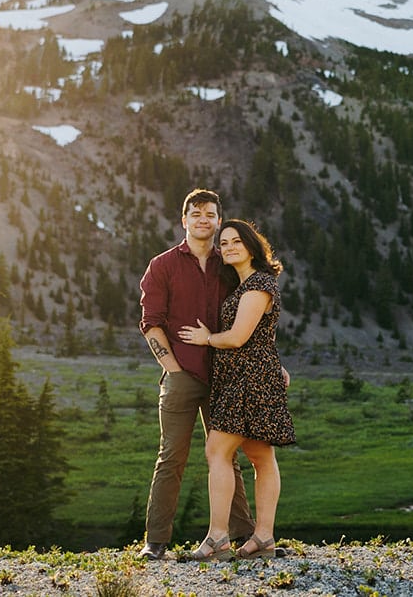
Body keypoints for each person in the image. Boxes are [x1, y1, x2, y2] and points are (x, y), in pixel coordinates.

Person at [136, 188, 254, 560]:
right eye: (196, 214)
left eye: (210, 215)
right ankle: (155, 543)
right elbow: (151, 324)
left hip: (225, 375)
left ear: (219, 221)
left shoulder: (229, 264)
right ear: (183, 220)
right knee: (171, 457)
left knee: (227, 457)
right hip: (182, 374)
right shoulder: (163, 265)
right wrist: (173, 369)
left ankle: (243, 537)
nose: (204, 220)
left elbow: (249, 319)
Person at [177, 218, 295, 561]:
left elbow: (240, 337)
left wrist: (207, 339)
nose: (228, 247)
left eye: (235, 242)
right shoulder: (243, 284)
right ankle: (263, 538)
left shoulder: (258, 284)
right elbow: (263, 337)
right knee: (259, 456)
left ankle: (218, 538)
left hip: (250, 379)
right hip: (247, 376)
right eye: (224, 242)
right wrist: (277, 364)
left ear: (251, 246)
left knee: (217, 450)